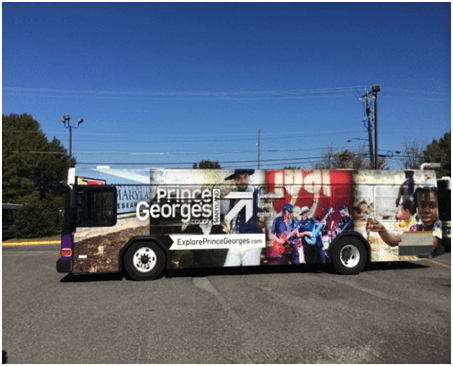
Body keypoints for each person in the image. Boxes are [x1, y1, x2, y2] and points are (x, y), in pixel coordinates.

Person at [222, 169, 264, 266]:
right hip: (234, 241)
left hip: (251, 241)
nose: (242, 181)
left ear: (249, 178)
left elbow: (265, 216)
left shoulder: (257, 194)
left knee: (249, 277)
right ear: (235, 180)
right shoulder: (231, 197)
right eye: (239, 178)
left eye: (245, 177)